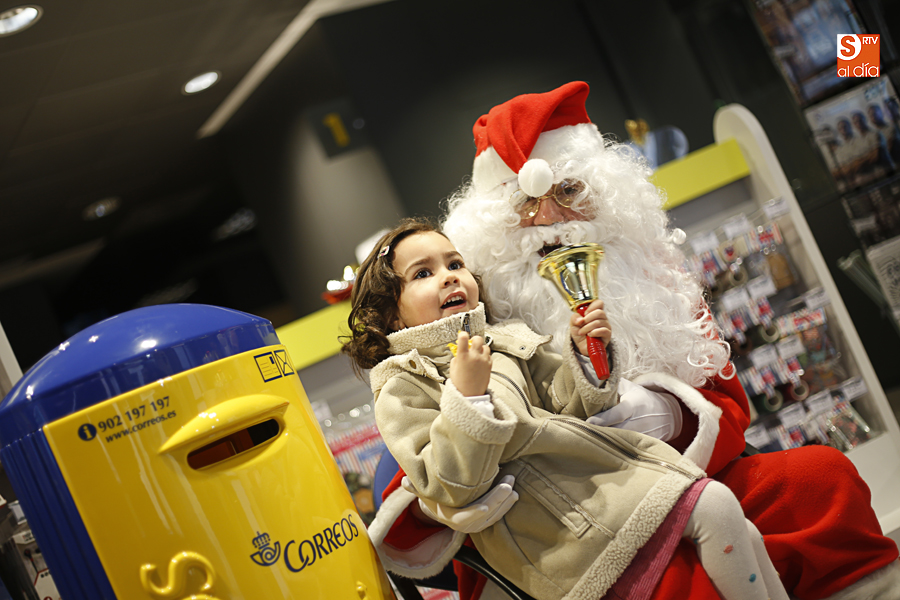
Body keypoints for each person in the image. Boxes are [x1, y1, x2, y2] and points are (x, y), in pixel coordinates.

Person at [376, 82, 900, 600]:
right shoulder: (474, 330)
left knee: (820, 481)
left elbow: (731, 409)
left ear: (608, 197)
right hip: (558, 527)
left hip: (683, 475)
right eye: (524, 205)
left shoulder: (662, 284)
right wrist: (439, 504)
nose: (553, 221)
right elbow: (423, 458)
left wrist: (670, 414)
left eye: (569, 191)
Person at [344, 217, 789, 600]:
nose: (449, 276)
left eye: (455, 263)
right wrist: (468, 399)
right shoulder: (403, 384)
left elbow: (568, 405)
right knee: (716, 508)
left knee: (740, 529)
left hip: (594, 482)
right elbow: (450, 484)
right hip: (557, 525)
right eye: (423, 273)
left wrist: (583, 353)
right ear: (391, 317)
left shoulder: (504, 339)